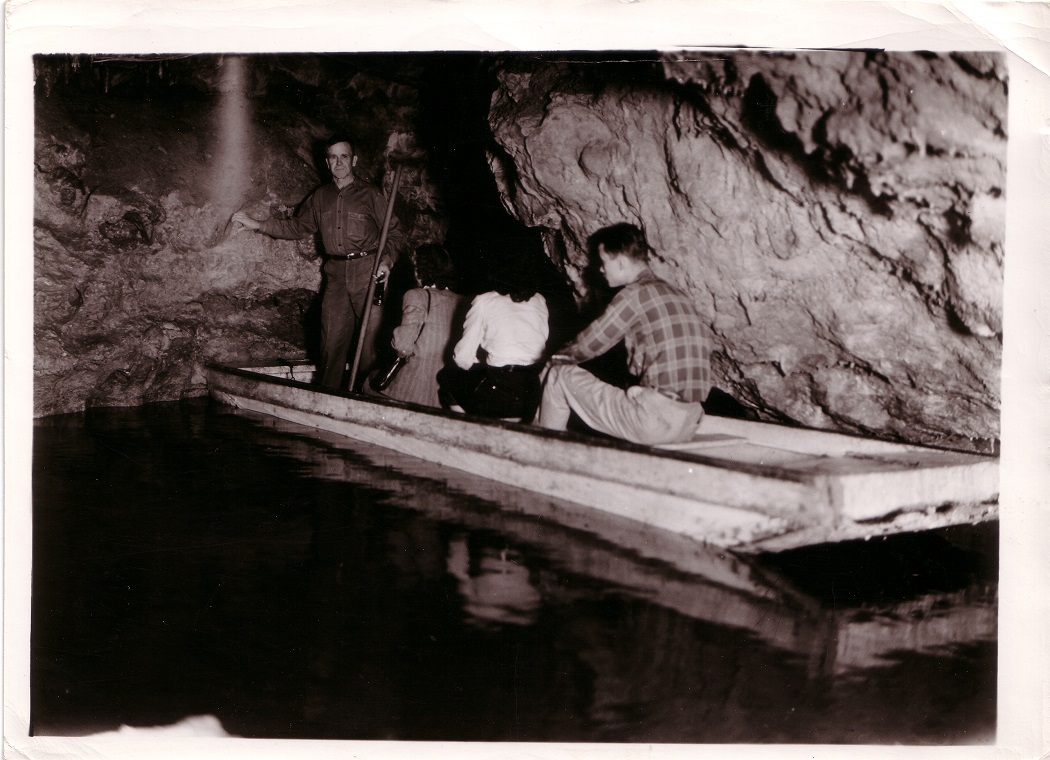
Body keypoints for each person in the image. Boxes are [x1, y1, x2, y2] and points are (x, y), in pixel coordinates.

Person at [233, 135, 404, 390]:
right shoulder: (320, 196)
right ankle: (327, 399)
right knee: (330, 342)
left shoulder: (371, 195)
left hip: (368, 272)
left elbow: (394, 234)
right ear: (327, 162)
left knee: (370, 344)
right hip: (335, 274)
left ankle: (372, 398)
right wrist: (258, 225)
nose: (339, 162)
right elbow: (297, 227)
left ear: (354, 160)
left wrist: (387, 261)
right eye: (333, 157)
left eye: (344, 156)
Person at [535, 223, 711, 445]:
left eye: (604, 262)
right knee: (631, 390)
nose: (601, 269)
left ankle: (542, 446)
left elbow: (589, 344)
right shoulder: (678, 294)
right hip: (689, 421)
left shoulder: (635, 294)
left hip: (655, 421)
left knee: (559, 374)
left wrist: (553, 362)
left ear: (620, 261)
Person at [437, 254, 549, 421]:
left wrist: (480, 363)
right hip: (530, 391)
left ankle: (468, 428)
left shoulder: (485, 301)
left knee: (447, 377)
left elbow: (462, 357)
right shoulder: (539, 300)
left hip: (498, 390)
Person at [369, 244, 466, 408]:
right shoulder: (462, 301)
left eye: (415, 266)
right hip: (447, 391)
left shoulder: (416, 295)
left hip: (415, 385)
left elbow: (403, 346)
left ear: (421, 269)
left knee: (368, 382)